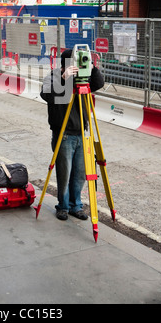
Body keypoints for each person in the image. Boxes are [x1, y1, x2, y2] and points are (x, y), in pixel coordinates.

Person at [40, 48, 104, 221]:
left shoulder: (82, 77)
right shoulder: (53, 76)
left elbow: (98, 84)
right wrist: (64, 78)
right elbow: (46, 94)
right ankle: (63, 206)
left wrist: (92, 67)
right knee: (64, 173)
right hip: (63, 134)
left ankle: (76, 206)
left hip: (81, 134)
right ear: (67, 64)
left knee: (80, 174)